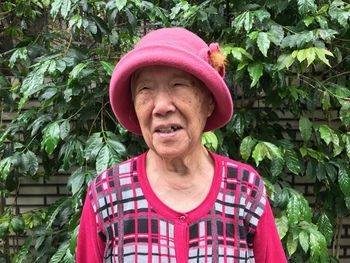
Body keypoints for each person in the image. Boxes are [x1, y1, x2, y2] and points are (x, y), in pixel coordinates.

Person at [76, 27, 287, 263]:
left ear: (208, 101)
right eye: (145, 89)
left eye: (178, 85)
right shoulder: (107, 193)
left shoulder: (244, 190)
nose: (161, 106)